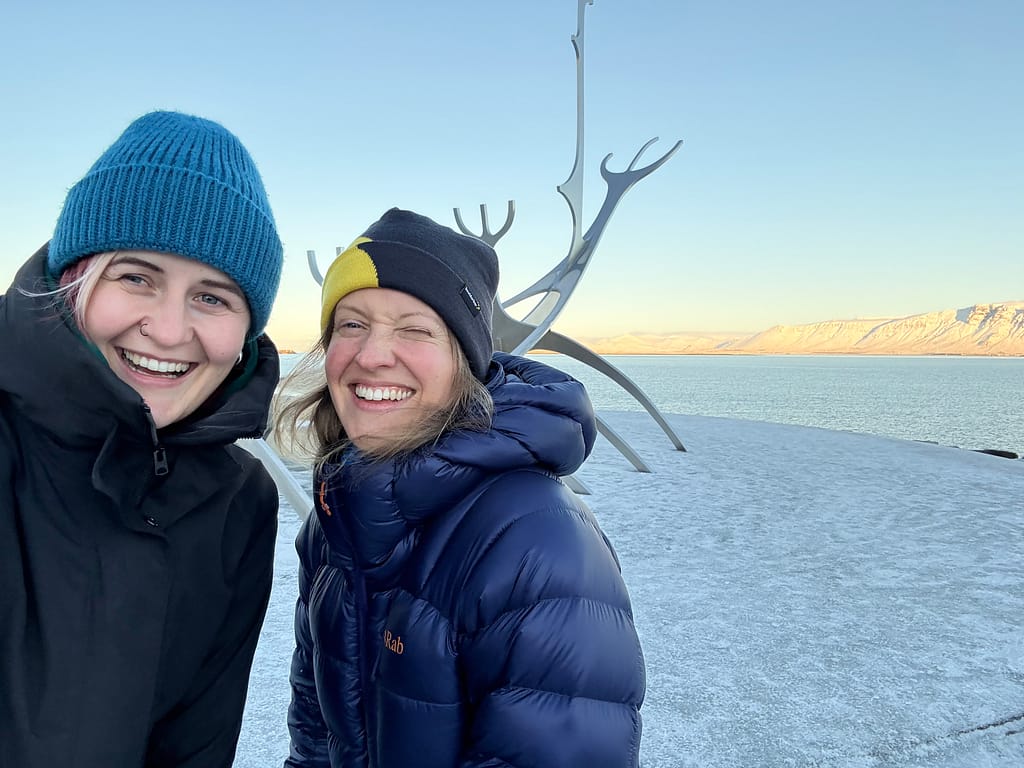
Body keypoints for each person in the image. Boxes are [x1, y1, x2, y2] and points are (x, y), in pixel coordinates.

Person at [277, 208, 645, 768]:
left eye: (414, 328)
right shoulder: (337, 516)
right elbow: (315, 721)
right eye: (351, 324)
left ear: (463, 361)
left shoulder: (533, 543)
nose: (372, 355)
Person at [0, 110, 285, 766]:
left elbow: (194, 745)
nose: (167, 329)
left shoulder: (239, 503)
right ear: (74, 279)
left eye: (213, 297)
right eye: (136, 278)